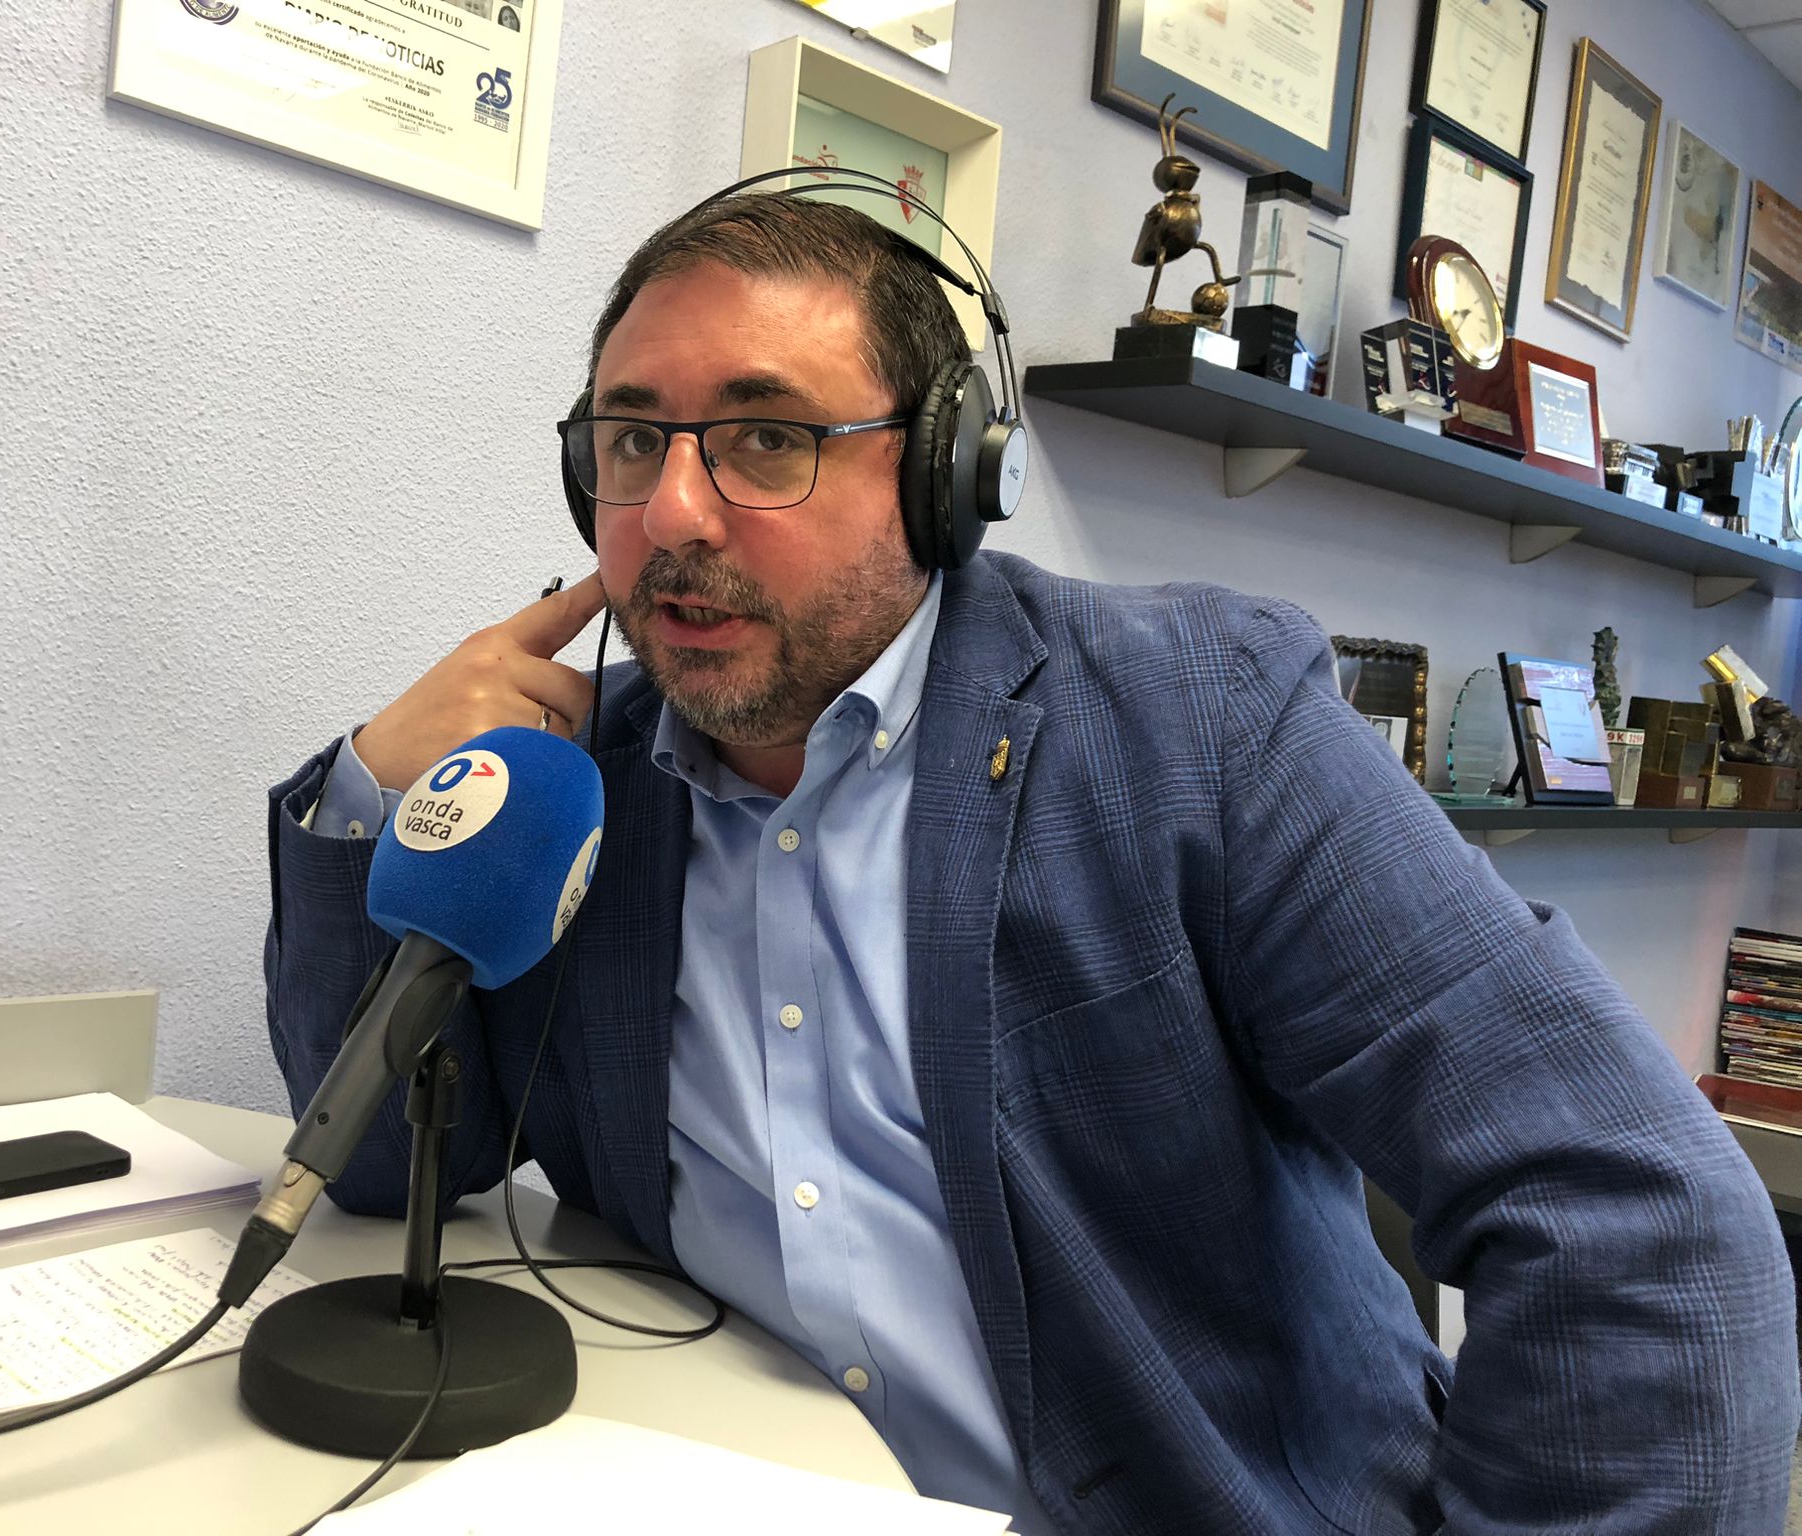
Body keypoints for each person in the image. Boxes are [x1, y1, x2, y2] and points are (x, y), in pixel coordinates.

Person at [263, 190, 1800, 1533]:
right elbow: (388, 1166)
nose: (669, 511)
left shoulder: (1202, 724)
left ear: (944, 473)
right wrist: (375, 794)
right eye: (629, 441)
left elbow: (1645, 1225)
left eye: (767, 439)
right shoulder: (571, 787)